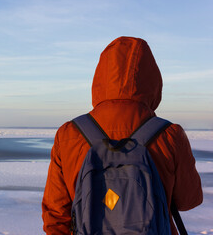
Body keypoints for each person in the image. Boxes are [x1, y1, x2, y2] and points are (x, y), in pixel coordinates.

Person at [42, 36, 203, 235]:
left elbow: (55, 215)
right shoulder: (169, 135)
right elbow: (189, 200)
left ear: (100, 78)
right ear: (153, 81)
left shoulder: (69, 134)